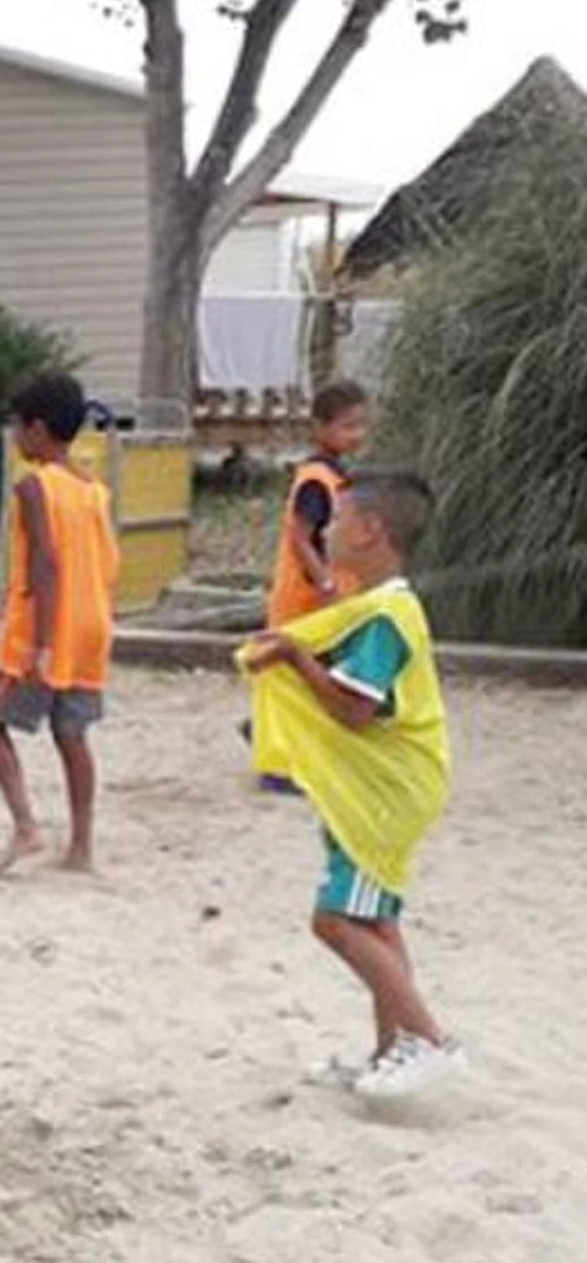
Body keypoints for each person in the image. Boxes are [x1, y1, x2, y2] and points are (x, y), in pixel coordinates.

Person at [240, 471, 461, 1102]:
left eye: (335, 520)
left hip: (385, 794)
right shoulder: (378, 607)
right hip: (380, 791)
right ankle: (391, 1053)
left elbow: (354, 709)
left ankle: (429, 1041)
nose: (325, 531)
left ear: (369, 530)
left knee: (335, 920)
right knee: (375, 919)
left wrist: (294, 657)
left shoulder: (386, 615)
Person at [0, 372, 119, 875]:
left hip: (45, 628)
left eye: (17, 424)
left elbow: (45, 565)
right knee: (72, 734)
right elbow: (109, 561)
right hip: (90, 627)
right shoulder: (94, 489)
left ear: (37, 428)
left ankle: (26, 827)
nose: (14, 435)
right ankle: (81, 845)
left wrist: (40, 644)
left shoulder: (34, 487)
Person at [266, 380, 370, 628]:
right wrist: (326, 583)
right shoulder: (315, 480)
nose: (358, 435)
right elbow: (299, 538)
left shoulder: (337, 475)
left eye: (362, 425)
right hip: (306, 605)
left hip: (327, 605)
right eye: (348, 427)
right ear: (319, 428)